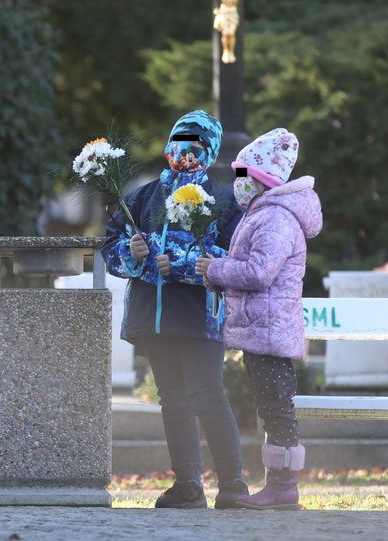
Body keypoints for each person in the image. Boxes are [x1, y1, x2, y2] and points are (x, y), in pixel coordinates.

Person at [102, 110, 249, 509]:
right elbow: (111, 244)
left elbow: (233, 254)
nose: (185, 151)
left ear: (211, 149)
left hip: (198, 314)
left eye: (196, 143)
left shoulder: (222, 198)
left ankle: (233, 484)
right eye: (178, 141)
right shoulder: (145, 196)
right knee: (172, 399)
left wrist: (181, 264)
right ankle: (187, 484)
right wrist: (130, 254)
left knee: (207, 395)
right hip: (153, 314)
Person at [196, 128, 323, 510]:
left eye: (241, 175)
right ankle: (279, 486)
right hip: (263, 330)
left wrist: (216, 269)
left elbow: (258, 272)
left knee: (276, 408)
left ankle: (283, 489)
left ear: (260, 179)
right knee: (271, 406)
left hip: (269, 331)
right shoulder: (266, 213)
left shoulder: (276, 219)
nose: (237, 184)